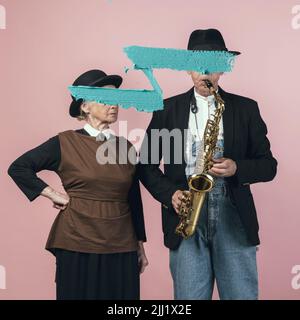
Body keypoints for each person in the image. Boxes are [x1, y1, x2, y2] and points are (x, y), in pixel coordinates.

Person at [138, 29, 277, 300]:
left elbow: (269, 166)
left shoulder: (246, 108)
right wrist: (170, 194)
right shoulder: (165, 110)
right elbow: (145, 165)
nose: (205, 74)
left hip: (232, 214)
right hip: (185, 212)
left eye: (213, 67)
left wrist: (237, 168)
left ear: (223, 69)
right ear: (187, 69)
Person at [8, 69, 148, 300]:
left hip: (122, 243)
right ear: (84, 106)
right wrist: (52, 193)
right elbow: (19, 167)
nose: (114, 105)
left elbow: (133, 198)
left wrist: (139, 244)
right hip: (77, 241)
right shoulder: (64, 142)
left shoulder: (126, 148)